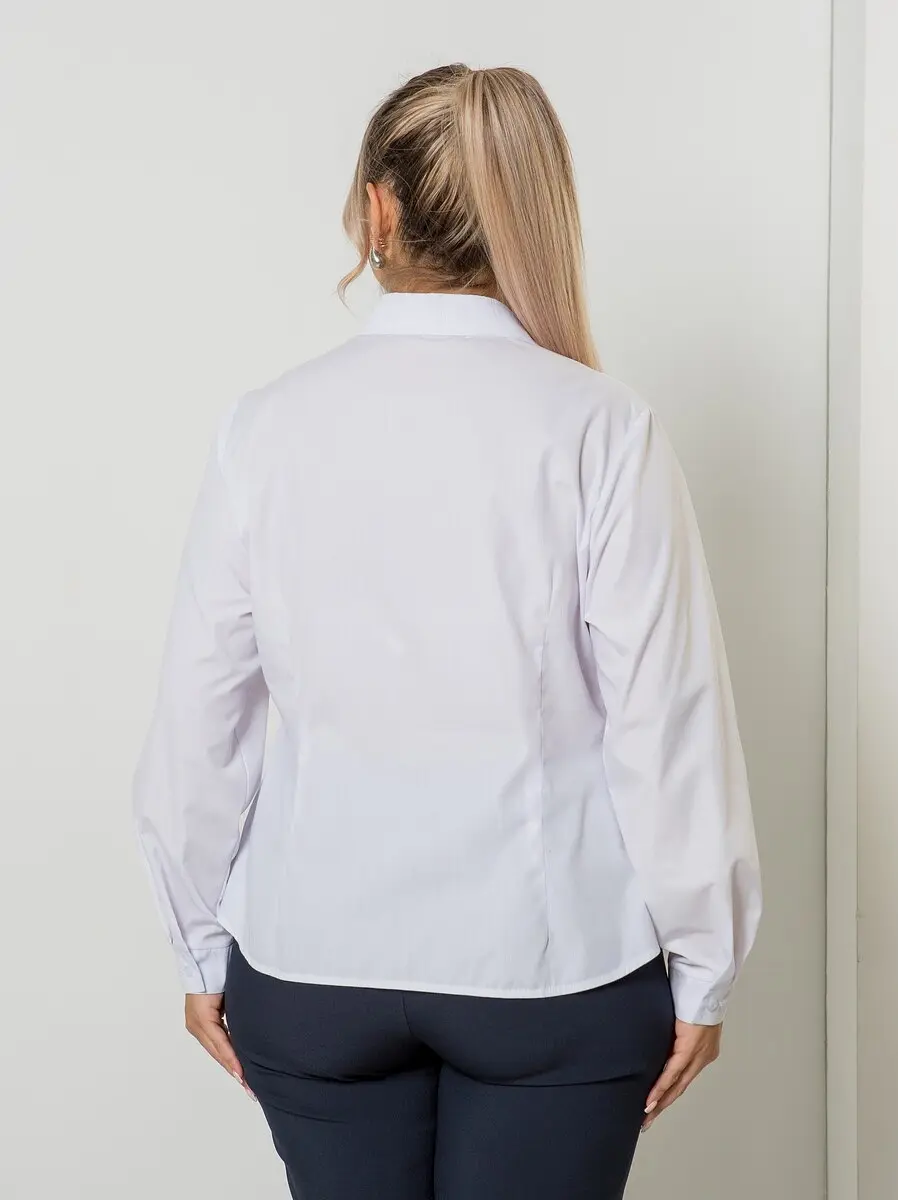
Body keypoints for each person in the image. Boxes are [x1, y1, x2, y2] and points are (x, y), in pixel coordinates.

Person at [133, 62, 762, 1200]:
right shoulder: (601, 428)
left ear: (378, 210)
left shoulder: (264, 430)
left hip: (312, 965)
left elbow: (199, 720)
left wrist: (197, 942)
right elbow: (665, 724)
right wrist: (706, 962)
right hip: (553, 969)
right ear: (531, 211)